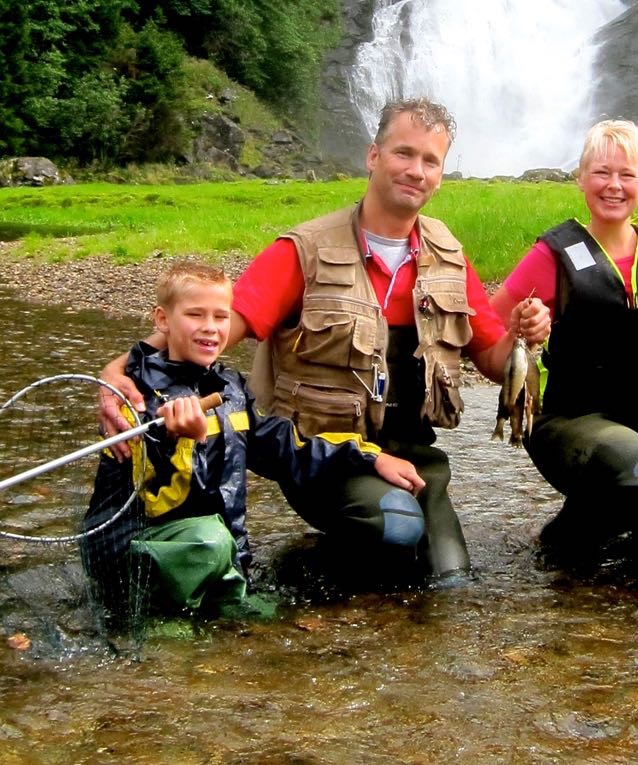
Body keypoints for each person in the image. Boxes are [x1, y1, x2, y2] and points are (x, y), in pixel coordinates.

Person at [100, 98, 549, 583]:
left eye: (430, 160)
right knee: (396, 529)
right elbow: (214, 331)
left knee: (449, 578)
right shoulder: (302, 250)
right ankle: (302, 570)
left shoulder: (449, 255)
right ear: (373, 156)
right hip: (320, 455)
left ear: (441, 173)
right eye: (403, 153)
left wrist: (526, 339)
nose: (415, 171)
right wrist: (122, 369)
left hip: (413, 457)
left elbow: (491, 356)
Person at [84, 261, 422, 614]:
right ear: (162, 320)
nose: (210, 328)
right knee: (209, 543)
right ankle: (161, 623)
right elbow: (152, 505)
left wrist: (370, 456)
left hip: (209, 550)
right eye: (195, 315)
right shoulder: (131, 400)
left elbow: (288, 447)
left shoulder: (231, 388)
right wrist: (184, 442)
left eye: (221, 316)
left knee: (258, 610)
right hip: (131, 550)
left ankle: (224, 590)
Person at [489, 119, 638, 566]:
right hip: (574, 421)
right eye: (601, 172)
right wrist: (525, 325)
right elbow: (488, 324)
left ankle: (605, 518)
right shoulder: (552, 256)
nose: (614, 186)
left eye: (627, 174)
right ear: (580, 177)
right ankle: (569, 536)